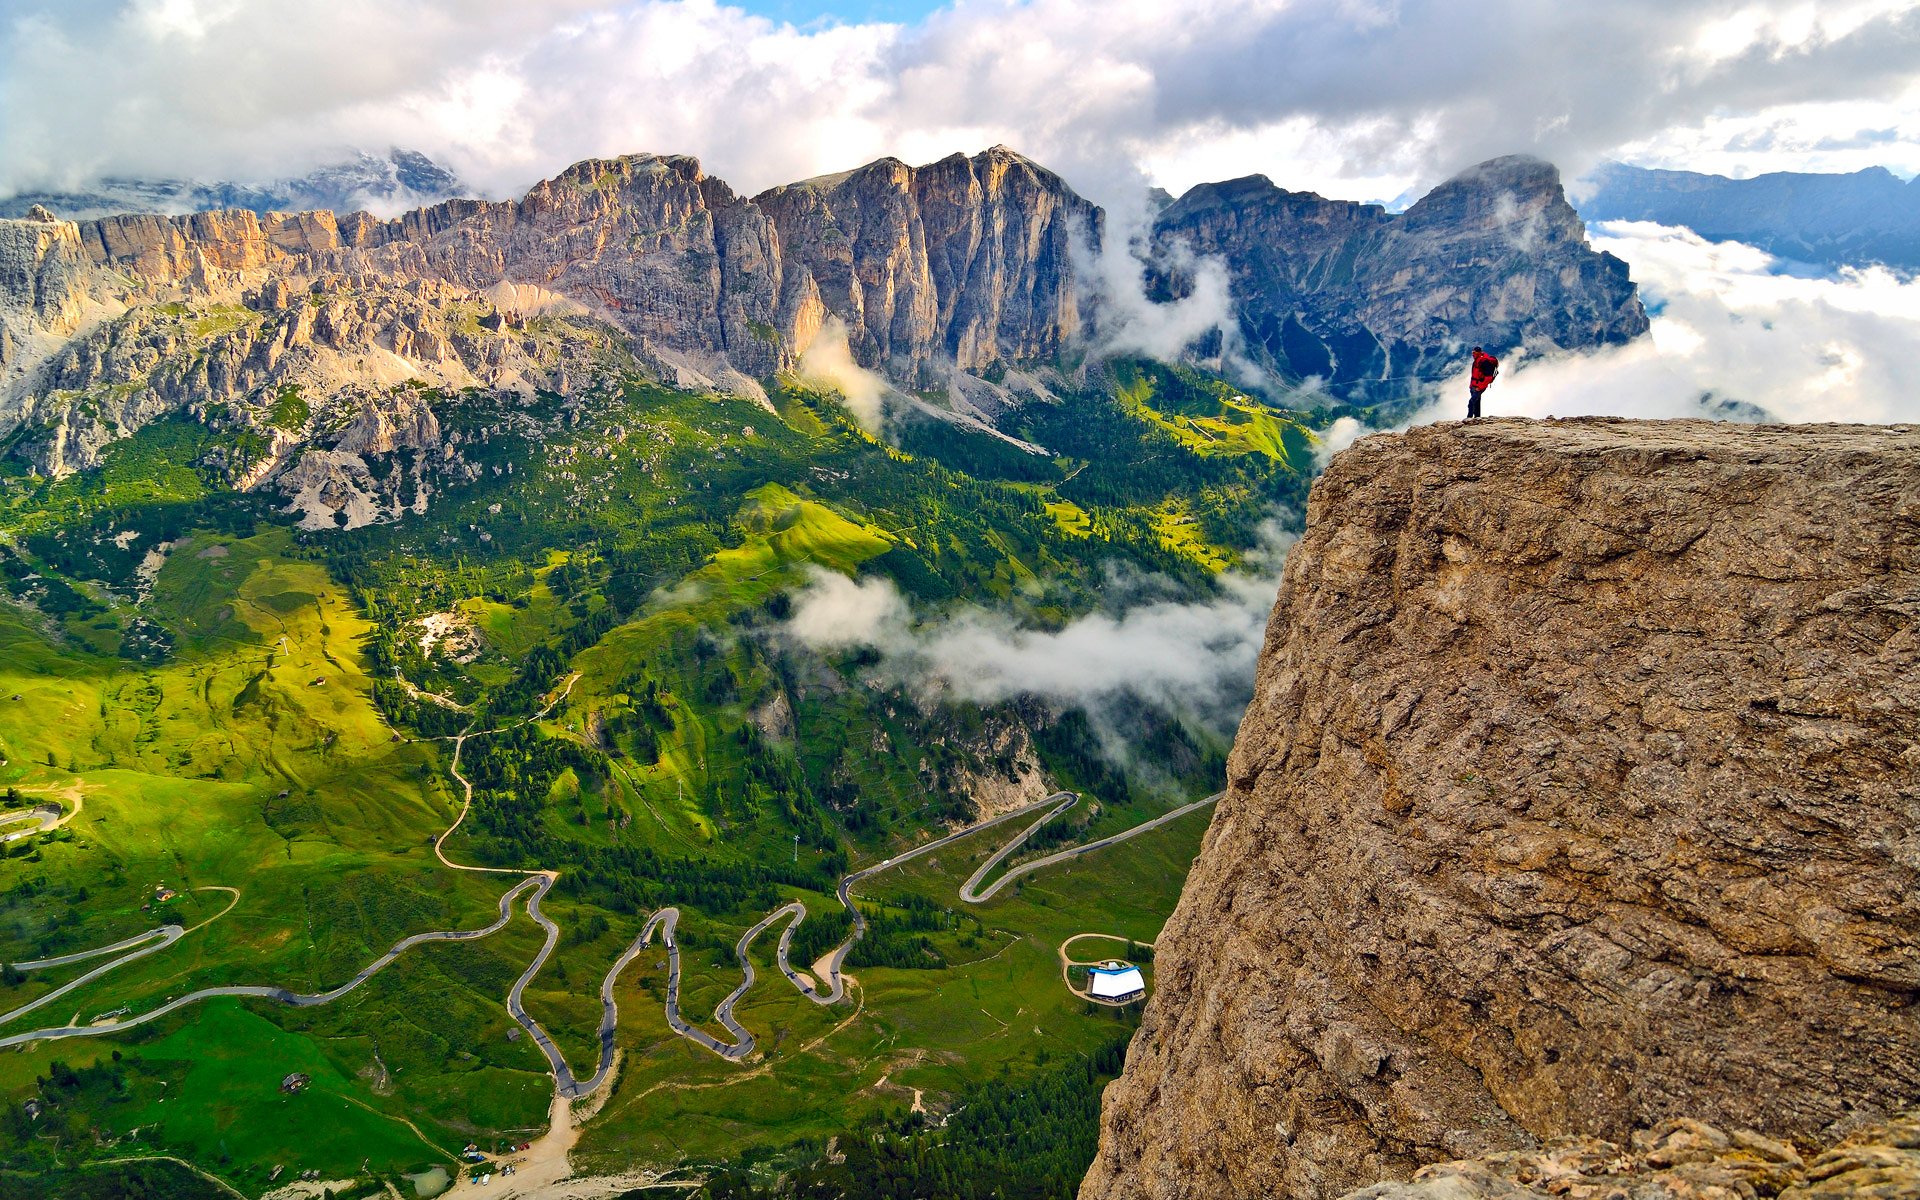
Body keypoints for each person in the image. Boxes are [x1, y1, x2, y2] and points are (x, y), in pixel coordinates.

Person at [1468, 346, 1499, 419]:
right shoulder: (1476, 361)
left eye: (1474, 353)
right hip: (1474, 386)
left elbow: (1489, 377)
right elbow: (1473, 374)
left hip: (1479, 386)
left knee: (1471, 403)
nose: (1472, 354)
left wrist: (1480, 387)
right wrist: (1471, 385)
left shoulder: (1484, 362)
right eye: (1472, 352)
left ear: (1478, 353)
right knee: (1476, 402)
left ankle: (1468, 418)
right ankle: (1477, 418)